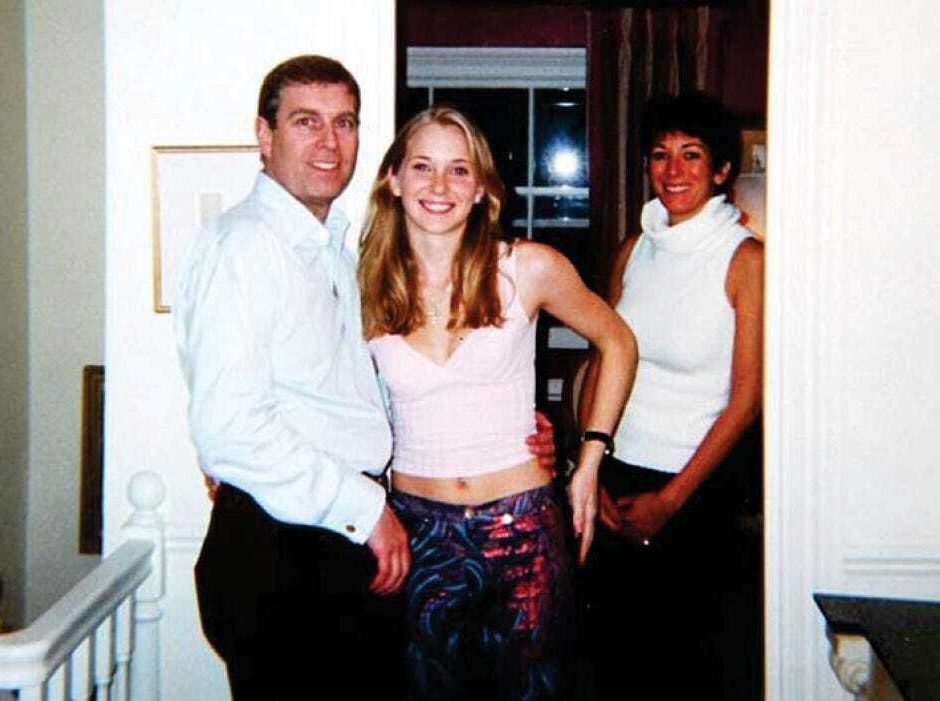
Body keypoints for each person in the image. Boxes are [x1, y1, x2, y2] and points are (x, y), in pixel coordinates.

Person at [175, 55, 556, 700]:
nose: (329, 142)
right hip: (285, 548)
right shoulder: (244, 246)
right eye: (306, 122)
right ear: (264, 136)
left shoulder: (339, 252)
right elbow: (229, 428)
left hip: (338, 541)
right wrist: (367, 509)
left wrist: (517, 429)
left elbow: (361, 392)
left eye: (344, 123)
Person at [358, 105, 637, 700]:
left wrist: (589, 460)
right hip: (417, 533)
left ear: (482, 189)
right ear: (393, 180)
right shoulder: (363, 285)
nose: (439, 185)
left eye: (459, 170)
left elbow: (618, 342)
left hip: (524, 530)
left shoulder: (527, 268)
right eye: (422, 166)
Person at [578, 92, 765, 699]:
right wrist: (590, 470)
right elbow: (602, 360)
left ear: (722, 170)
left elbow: (748, 398)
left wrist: (672, 500)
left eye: (692, 154)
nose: (673, 170)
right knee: (614, 666)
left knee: (686, 673)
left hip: (696, 490)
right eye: (660, 155)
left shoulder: (746, 260)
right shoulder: (634, 249)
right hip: (616, 476)